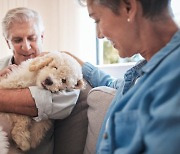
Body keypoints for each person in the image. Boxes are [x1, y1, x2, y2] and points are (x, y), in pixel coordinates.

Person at [67, 0, 180, 153]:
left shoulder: (172, 79)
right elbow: (112, 84)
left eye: (98, 19)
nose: (98, 35)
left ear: (128, 7)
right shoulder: (140, 75)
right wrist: (71, 61)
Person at [0, 7, 80, 154]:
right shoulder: (1, 67)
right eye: (17, 40)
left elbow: (41, 103)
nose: (26, 46)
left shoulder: (62, 71)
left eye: (32, 38)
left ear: (42, 37)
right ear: (7, 42)